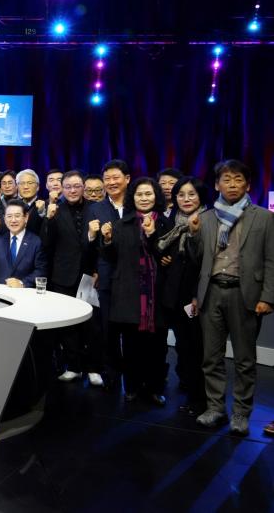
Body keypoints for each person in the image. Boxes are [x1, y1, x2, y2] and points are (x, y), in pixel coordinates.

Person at [188, 160, 274, 436]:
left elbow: (271, 259)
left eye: (238, 179)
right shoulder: (206, 217)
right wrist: (193, 234)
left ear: (247, 185)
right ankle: (215, 408)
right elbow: (196, 260)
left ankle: (241, 413)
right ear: (217, 185)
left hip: (245, 293)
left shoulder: (264, 217)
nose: (232, 184)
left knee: (244, 360)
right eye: (226, 179)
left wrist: (268, 297)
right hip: (211, 292)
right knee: (211, 357)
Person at [100, 177, 172, 406]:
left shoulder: (166, 224)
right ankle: (131, 387)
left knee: (157, 346)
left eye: (148, 194)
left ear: (156, 196)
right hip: (128, 292)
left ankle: (154, 388)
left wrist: (151, 235)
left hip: (157, 295)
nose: (144, 198)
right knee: (131, 345)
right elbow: (111, 258)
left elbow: (168, 258)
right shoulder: (122, 224)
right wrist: (107, 241)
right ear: (133, 197)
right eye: (139, 194)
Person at [41, 171, 102, 386]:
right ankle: (74, 367)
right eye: (68, 187)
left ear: (83, 187)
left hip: (89, 275)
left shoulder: (96, 208)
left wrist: (97, 270)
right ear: (61, 189)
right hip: (63, 275)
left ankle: (94, 368)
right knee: (68, 326)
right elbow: (46, 244)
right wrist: (48, 219)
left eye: (77, 186)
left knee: (92, 325)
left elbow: (101, 244)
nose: (73, 190)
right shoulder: (55, 210)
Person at [156, 176, 209, 414]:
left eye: (191, 194)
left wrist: (197, 295)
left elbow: (206, 263)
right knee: (184, 348)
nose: (186, 199)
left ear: (201, 196)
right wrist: (164, 258)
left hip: (197, 296)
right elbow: (161, 250)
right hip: (174, 295)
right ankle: (192, 394)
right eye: (181, 195)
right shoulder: (172, 222)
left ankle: (201, 401)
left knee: (198, 350)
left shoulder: (209, 221)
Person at [85, 159, 131, 389]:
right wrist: (92, 236)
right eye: (107, 179)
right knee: (108, 328)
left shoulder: (137, 204)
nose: (111, 182)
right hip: (106, 275)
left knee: (133, 330)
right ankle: (111, 373)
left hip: (134, 276)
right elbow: (89, 247)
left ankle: (133, 380)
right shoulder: (96, 208)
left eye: (116, 178)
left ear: (127, 179)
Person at [0, 199, 47, 287]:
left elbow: (41, 270)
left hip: (25, 291)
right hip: (0, 291)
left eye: (17, 216)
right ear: (4, 219)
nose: (13, 220)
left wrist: (22, 283)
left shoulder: (36, 241)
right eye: (9, 216)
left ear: (26, 217)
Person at [15, 169, 45, 235]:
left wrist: (42, 214)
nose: (25, 187)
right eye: (22, 183)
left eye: (30, 183)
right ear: (17, 187)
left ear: (38, 187)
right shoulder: (13, 207)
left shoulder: (46, 206)